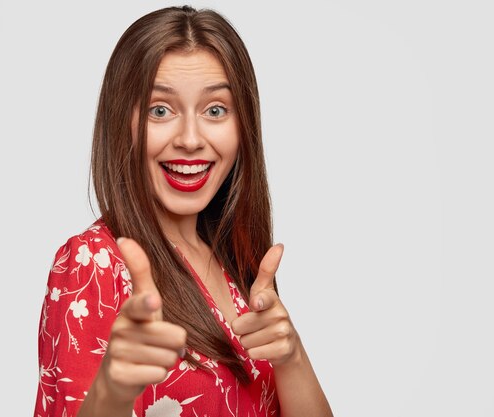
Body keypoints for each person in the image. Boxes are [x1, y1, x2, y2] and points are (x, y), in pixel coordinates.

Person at [35, 5, 333, 417]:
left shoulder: (237, 261)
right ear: (123, 122)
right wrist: (113, 389)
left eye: (215, 110)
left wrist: (291, 357)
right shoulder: (94, 264)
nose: (191, 139)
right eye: (161, 109)